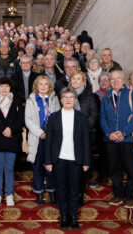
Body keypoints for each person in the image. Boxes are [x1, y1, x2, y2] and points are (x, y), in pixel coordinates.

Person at [45, 86, 90, 231]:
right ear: (61, 99)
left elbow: (85, 141)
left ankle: (73, 216)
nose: (68, 100)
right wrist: (48, 161)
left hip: (76, 160)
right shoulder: (53, 117)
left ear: (75, 99)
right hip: (59, 159)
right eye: (66, 97)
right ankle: (64, 216)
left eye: (71, 97)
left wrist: (86, 161)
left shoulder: (81, 117)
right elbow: (49, 141)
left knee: (75, 189)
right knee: (61, 189)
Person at [100, 70, 133, 209]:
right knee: (114, 169)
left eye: (118, 78)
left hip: (127, 139)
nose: (115, 81)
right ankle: (118, 195)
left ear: (123, 80)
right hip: (111, 140)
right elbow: (102, 117)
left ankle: (130, 197)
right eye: (112, 79)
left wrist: (124, 132)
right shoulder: (106, 97)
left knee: (131, 169)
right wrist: (108, 133)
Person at [0, 77, 24, 207]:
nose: (4, 89)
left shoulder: (17, 101)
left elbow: (21, 120)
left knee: (9, 168)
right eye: (2, 86)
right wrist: (3, 129)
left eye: (6, 86)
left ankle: (8, 194)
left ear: (10, 88)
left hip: (12, 138)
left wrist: (10, 129)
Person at [25, 76, 61, 205]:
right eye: (41, 84)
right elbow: (28, 119)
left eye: (46, 84)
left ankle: (52, 192)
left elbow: (58, 116)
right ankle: (39, 193)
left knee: (50, 166)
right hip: (37, 136)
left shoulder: (54, 98)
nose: (44, 86)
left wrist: (50, 133)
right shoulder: (31, 100)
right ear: (36, 86)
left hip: (51, 136)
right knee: (37, 166)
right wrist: (40, 133)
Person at [69, 70, 99, 200]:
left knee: (82, 165)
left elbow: (94, 115)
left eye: (78, 79)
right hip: (69, 135)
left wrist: (82, 129)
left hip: (86, 134)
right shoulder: (66, 95)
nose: (75, 81)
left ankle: (80, 193)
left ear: (83, 81)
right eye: (73, 79)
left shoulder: (90, 96)